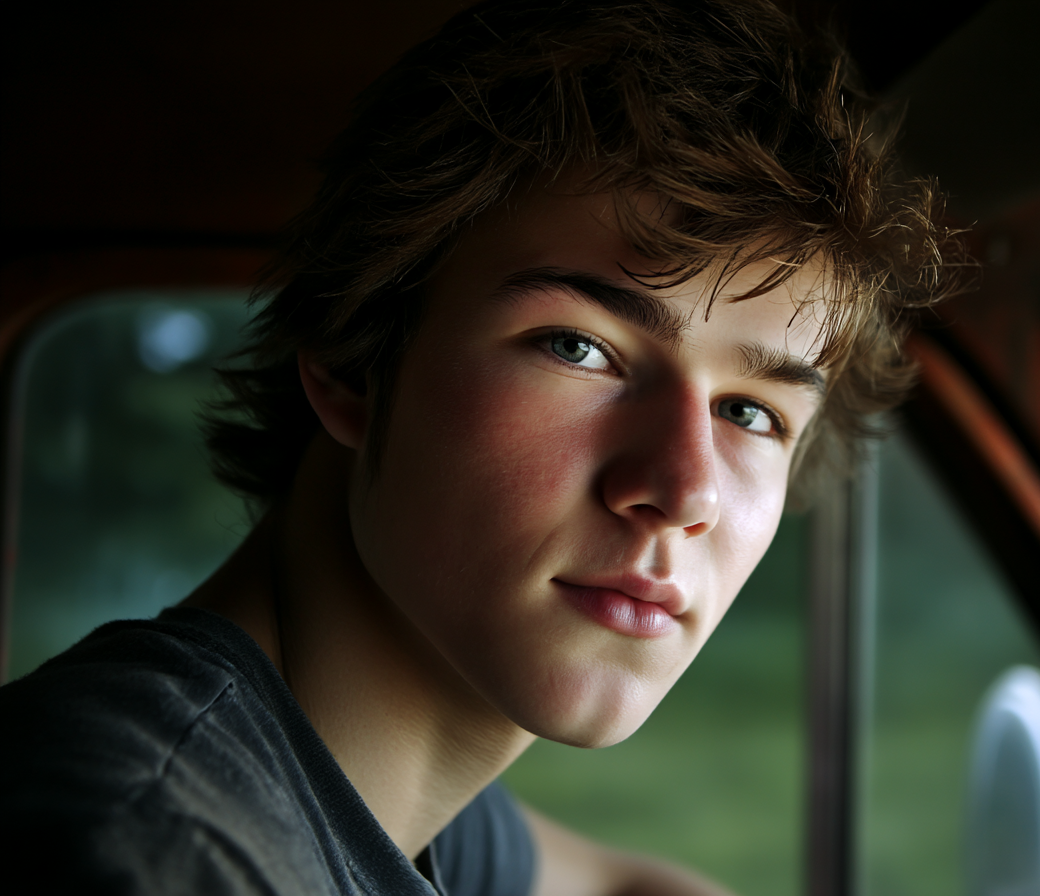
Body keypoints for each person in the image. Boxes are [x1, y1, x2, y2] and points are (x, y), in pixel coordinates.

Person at [0, 0, 957, 892]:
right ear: (350, 359)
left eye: (751, 413)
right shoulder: (157, 851)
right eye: (580, 348)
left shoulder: (375, 787)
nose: (683, 489)